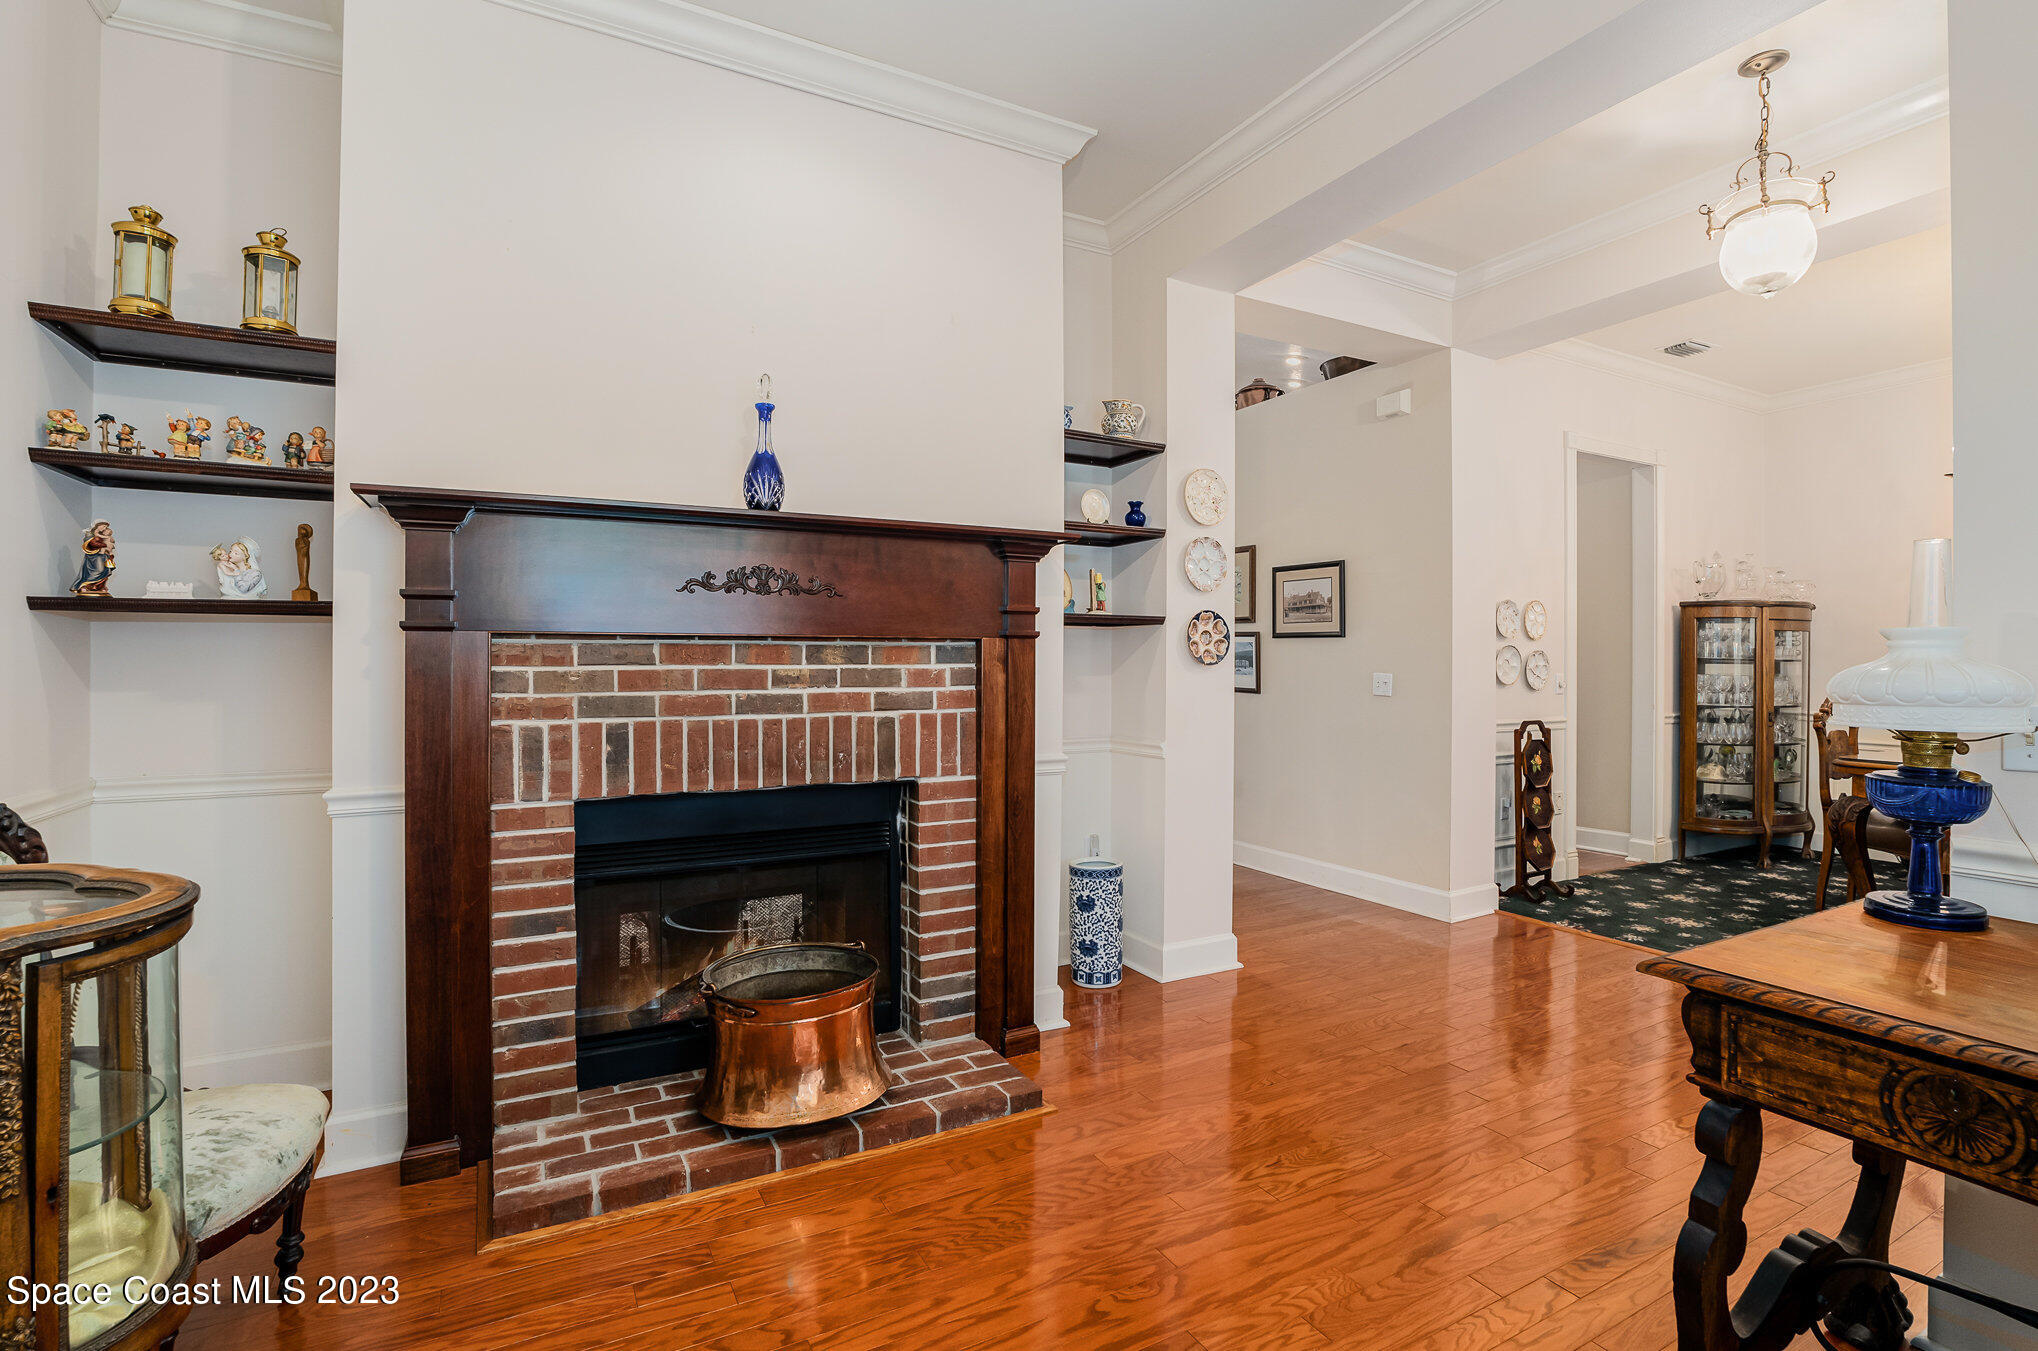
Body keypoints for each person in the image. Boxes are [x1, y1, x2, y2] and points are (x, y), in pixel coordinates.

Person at [71, 521, 115, 597]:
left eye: (106, 527)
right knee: (96, 570)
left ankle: (99, 587)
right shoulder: (90, 534)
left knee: (105, 571)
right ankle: (84, 586)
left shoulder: (102, 534)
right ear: (98, 525)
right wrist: (104, 545)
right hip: (93, 557)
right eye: (104, 526)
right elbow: (91, 544)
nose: (105, 528)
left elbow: (111, 542)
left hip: (104, 556)